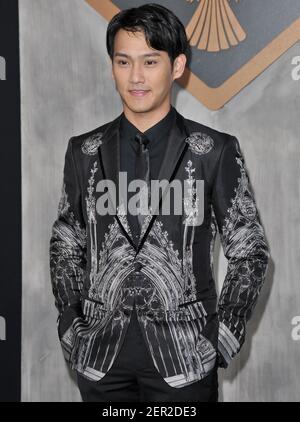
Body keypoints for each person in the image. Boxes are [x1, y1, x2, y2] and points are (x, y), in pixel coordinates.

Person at [49, 3, 269, 402]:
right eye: (123, 61)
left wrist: (221, 337)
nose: (136, 76)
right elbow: (66, 241)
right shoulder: (83, 151)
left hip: (185, 362)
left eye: (150, 61)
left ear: (177, 66)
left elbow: (250, 250)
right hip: (100, 359)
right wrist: (70, 324)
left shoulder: (213, 152)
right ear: (112, 65)